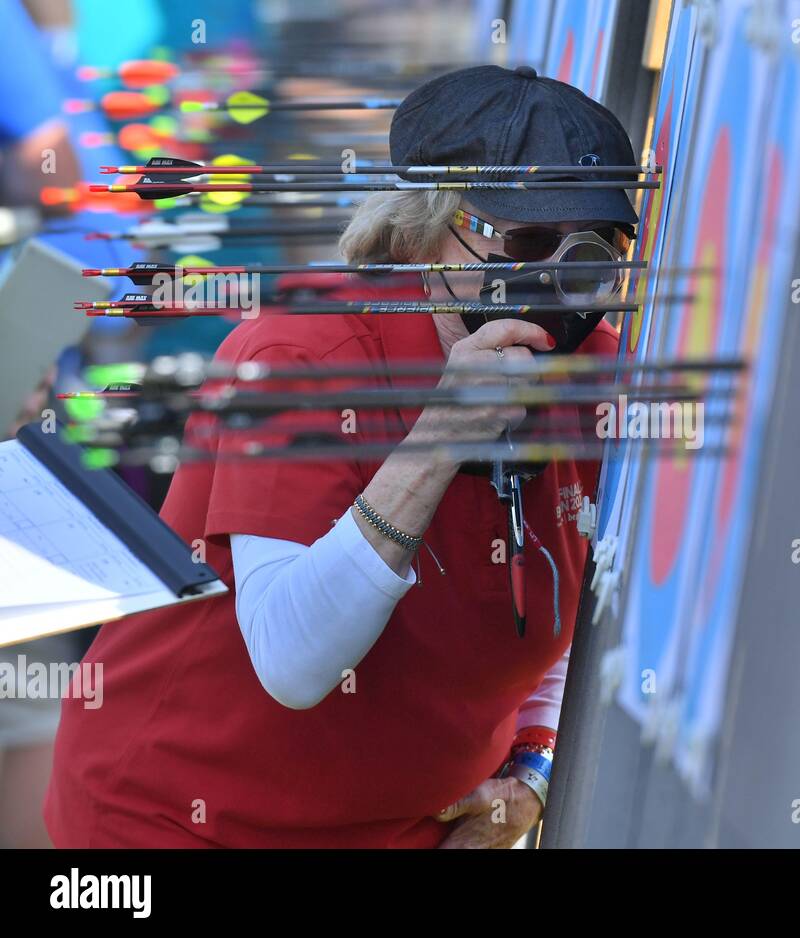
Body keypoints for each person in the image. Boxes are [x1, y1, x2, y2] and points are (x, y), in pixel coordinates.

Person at [45, 65, 640, 848]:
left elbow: (583, 608)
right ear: (427, 230)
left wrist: (531, 768)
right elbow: (294, 661)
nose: (556, 285)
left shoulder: (596, 377)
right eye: (527, 241)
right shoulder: (298, 355)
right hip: (181, 822)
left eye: (589, 255)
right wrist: (436, 441)